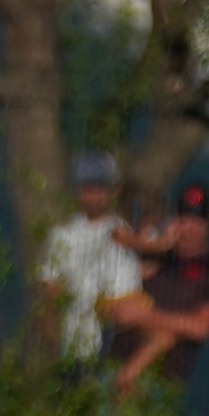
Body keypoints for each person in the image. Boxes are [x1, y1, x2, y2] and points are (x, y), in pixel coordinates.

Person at [108, 181, 209, 391]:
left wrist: (141, 316)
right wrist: (156, 244)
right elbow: (119, 294)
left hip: (161, 379)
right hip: (113, 365)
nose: (189, 228)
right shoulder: (155, 254)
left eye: (198, 220)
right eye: (184, 218)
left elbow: (201, 326)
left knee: (165, 338)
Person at [37, 152, 146, 362]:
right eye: (85, 188)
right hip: (70, 347)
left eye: (98, 188)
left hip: (110, 348)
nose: (91, 196)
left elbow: (128, 295)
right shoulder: (61, 235)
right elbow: (52, 294)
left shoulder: (124, 235)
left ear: (114, 190)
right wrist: (53, 342)